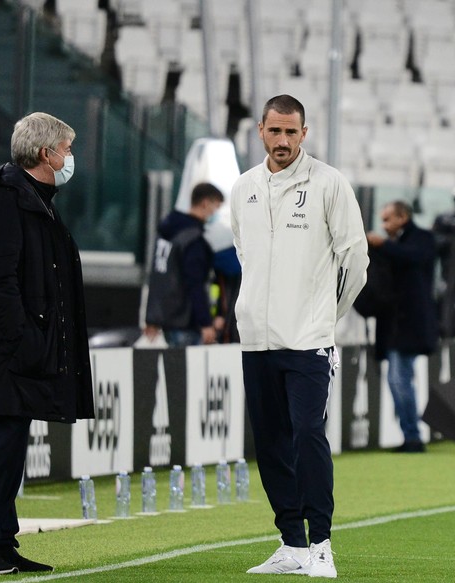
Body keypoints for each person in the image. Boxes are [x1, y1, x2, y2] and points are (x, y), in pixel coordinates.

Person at [230, 94, 369, 578]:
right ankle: (291, 543)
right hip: (257, 340)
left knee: (308, 435)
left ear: (304, 133)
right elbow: (246, 255)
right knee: (269, 443)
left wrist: (326, 318)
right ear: (260, 131)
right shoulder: (244, 187)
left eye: (292, 132)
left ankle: (322, 544)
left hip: (309, 340)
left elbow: (356, 262)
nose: (283, 140)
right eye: (275, 131)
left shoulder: (330, 184)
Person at [0, 112, 95, 576]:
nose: (70, 158)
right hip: (3, 355)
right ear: (45, 154)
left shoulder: (32, 199)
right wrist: (27, 341)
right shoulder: (5, 203)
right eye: (67, 150)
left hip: (15, 353)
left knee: (9, 449)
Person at [366, 201, 439, 453]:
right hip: (397, 326)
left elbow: (414, 257)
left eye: (388, 219)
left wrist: (383, 245)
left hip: (410, 325)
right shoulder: (399, 245)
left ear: (403, 217)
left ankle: (413, 437)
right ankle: (411, 435)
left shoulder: (422, 239)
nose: (384, 226)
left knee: (399, 379)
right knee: (398, 380)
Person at [143, 182, 224, 347]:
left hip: (168, 319)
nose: (216, 213)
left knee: (176, 371)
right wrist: (205, 322)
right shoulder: (192, 240)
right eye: (216, 207)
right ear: (205, 203)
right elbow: (194, 283)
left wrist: (152, 318)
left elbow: (158, 277)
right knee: (190, 372)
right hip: (186, 321)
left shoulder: (168, 233)